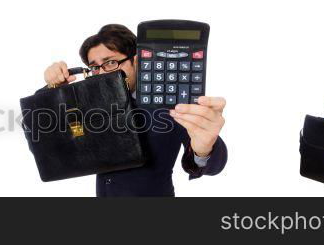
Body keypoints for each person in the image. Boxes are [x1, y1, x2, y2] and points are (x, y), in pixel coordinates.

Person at [42, 24, 228, 196]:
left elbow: (213, 164)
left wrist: (204, 150)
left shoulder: (170, 102)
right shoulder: (94, 104)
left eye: (111, 62)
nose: (103, 73)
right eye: (95, 67)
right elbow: (55, 142)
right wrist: (52, 91)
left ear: (137, 61)